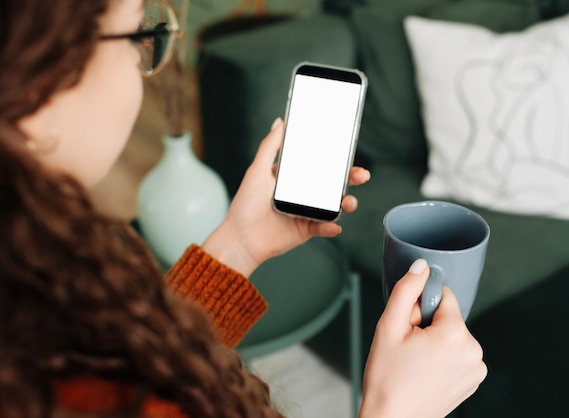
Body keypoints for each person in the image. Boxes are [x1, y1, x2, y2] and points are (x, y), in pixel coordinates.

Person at [0, 0, 487, 417]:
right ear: (39, 90)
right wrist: (396, 409)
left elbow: (133, 364)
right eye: (134, 35)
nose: (143, 66)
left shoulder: (34, 270)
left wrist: (240, 243)